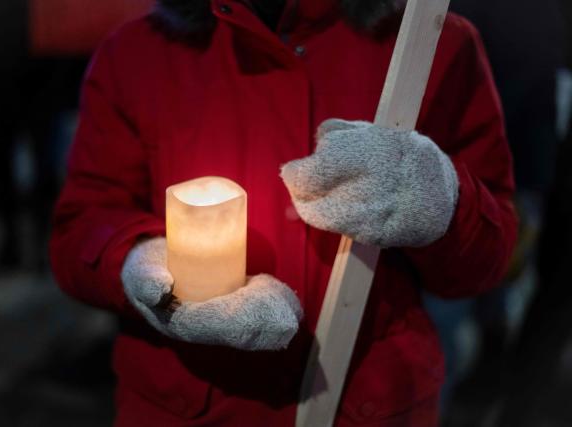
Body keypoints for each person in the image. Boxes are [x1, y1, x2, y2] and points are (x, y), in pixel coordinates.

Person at [50, 1, 517, 425]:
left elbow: (487, 257)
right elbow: (83, 224)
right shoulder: (137, 54)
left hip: (366, 400)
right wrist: (138, 263)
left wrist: (441, 200)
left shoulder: (431, 44)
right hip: (187, 404)